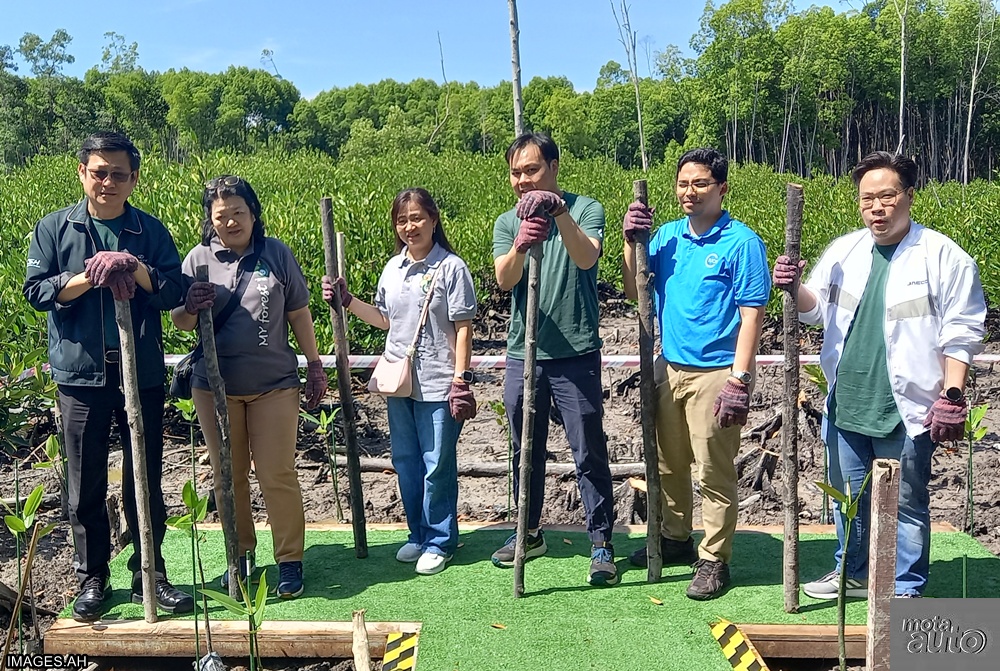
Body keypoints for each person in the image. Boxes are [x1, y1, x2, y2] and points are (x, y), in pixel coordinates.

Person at [773, 151, 986, 599]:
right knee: (847, 501)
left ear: (909, 196)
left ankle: (905, 587)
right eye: (867, 198)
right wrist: (795, 288)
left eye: (887, 196)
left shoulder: (945, 257)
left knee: (906, 505)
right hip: (847, 401)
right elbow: (816, 313)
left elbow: (962, 332)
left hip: (906, 408)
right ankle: (851, 571)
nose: (877, 207)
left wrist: (952, 394)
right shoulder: (844, 250)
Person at [23, 131, 194, 622]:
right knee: (84, 485)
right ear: (82, 172)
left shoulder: (149, 230)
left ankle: (150, 574)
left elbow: (171, 291)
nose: (108, 182)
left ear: (134, 179)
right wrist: (87, 276)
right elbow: (35, 292)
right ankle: (92, 576)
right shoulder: (56, 228)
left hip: (140, 374)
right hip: (80, 377)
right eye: (99, 172)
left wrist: (134, 267)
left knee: (146, 477)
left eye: (119, 174)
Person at [622, 148, 771, 600]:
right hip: (668, 367)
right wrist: (632, 243)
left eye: (701, 183)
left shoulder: (741, 242)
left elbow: (752, 315)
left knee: (713, 470)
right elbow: (634, 290)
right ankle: (675, 537)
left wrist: (739, 380)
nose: (690, 192)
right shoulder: (665, 237)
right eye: (683, 183)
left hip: (716, 373)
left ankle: (714, 559)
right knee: (668, 464)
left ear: (721, 188)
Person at [170, 175, 327, 599]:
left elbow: (298, 311)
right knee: (228, 476)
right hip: (214, 387)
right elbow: (180, 321)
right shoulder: (197, 259)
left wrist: (314, 364)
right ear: (210, 220)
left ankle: (290, 561)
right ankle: (238, 557)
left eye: (238, 212)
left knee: (277, 473)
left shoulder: (276, 254)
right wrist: (189, 305)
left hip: (274, 384)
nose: (230, 222)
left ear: (253, 214)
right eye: (221, 216)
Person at [323, 187, 477, 575]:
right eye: (402, 220)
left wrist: (461, 378)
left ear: (434, 220)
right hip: (399, 381)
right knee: (406, 461)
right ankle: (418, 534)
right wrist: (347, 300)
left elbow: (463, 328)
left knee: (436, 463)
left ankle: (442, 539)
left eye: (417, 218)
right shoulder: (393, 268)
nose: (410, 227)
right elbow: (384, 319)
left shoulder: (452, 267)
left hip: (439, 381)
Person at [491, 132, 618, 586]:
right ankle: (528, 532)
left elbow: (586, 259)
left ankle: (601, 542)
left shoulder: (586, 208)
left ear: (554, 167)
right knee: (524, 450)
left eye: (532, 170)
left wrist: (558, 213)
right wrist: (522, 244)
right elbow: (505, 281)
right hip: (523, 355)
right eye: (516, 172)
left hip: (576, 353)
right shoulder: (508, 221)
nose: (524, 180)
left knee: (587, 451)